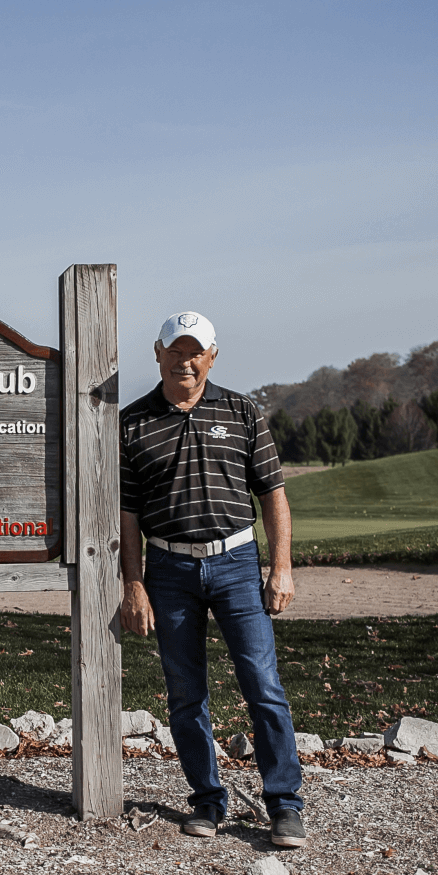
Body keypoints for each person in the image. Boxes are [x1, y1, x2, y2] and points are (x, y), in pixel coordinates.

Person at [119, 311, 307, 847]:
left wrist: (282, 567)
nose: (186, 360)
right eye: (175, 350)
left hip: (237, 565)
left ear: (212, 355)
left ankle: (284, 805)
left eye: (195, 350)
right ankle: (206, 799)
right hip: (169, 569)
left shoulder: (243, 411)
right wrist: (134, 584)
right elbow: (127, 515)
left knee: (263, 686)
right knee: (185, 694)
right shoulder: (132, 422)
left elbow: (273, 495)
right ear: (157, 353)